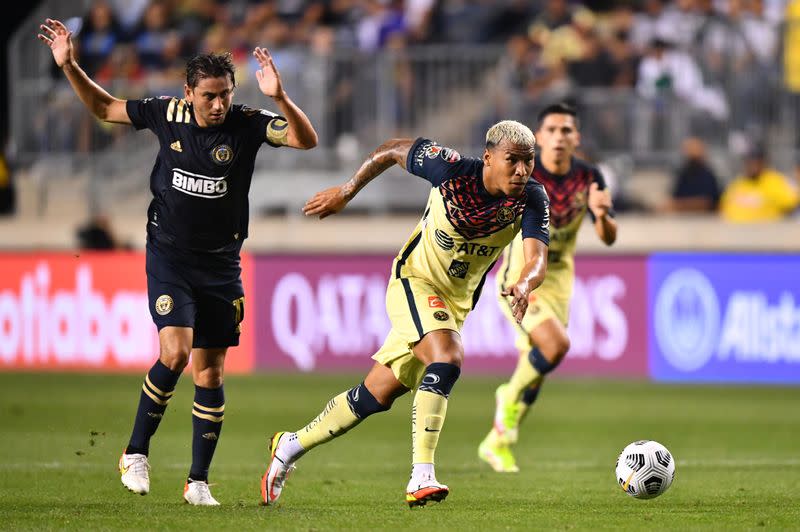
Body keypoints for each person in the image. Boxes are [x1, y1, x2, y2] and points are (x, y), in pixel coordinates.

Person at [38, 18, 318, 505]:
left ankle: (197, 483)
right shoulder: (164, 113)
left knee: (210, 373)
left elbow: (305, 140)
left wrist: (280, 98)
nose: (218, 104)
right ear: (188, 92)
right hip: (169, 256)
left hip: (222, 265)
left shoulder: (248, 123)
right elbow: (105, 106)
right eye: (209, 95)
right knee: (176, 352)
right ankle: (135, 452)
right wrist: (71, 66)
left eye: (225, 94)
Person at [261, 121, 551, 508]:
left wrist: (526, 282)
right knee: (447, 357)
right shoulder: (450, 169)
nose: (520, 171)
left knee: (374, 396)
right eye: (512, 160)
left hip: (454, 304)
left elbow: (537, 259)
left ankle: (289, 446)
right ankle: (421, 475)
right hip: (414, 281)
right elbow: (393, 149)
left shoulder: (532, 197)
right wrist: (347, 192)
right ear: (488, 158)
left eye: (527, 162)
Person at [477, 103, 617, 473]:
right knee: (555, 346)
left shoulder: (590, 177)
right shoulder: (522, 175)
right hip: (520, 279)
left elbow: (607, 238)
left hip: (559, 284)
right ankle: (506, 396)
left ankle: (498, 441)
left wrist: (602, 215)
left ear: (577, 138)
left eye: (566, 130)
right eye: (552, 130)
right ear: (538, 138)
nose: (559, 137)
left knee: (537, 371)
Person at [719, 144, 800, 223]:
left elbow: (791, 204)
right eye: (749, 162)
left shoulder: (774, 180)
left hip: (768, 231)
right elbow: (723, 206)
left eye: (756, 162)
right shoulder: (738, 183)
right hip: (735, 230)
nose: (753, 166)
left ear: (763, 162)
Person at [659, 137, 721, 213]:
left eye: (694, 153)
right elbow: (674, 198)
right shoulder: (683, 175)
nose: (691, 155)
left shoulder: (708, 176)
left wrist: (678, 205)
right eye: (689, 152)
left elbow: (706, 203)